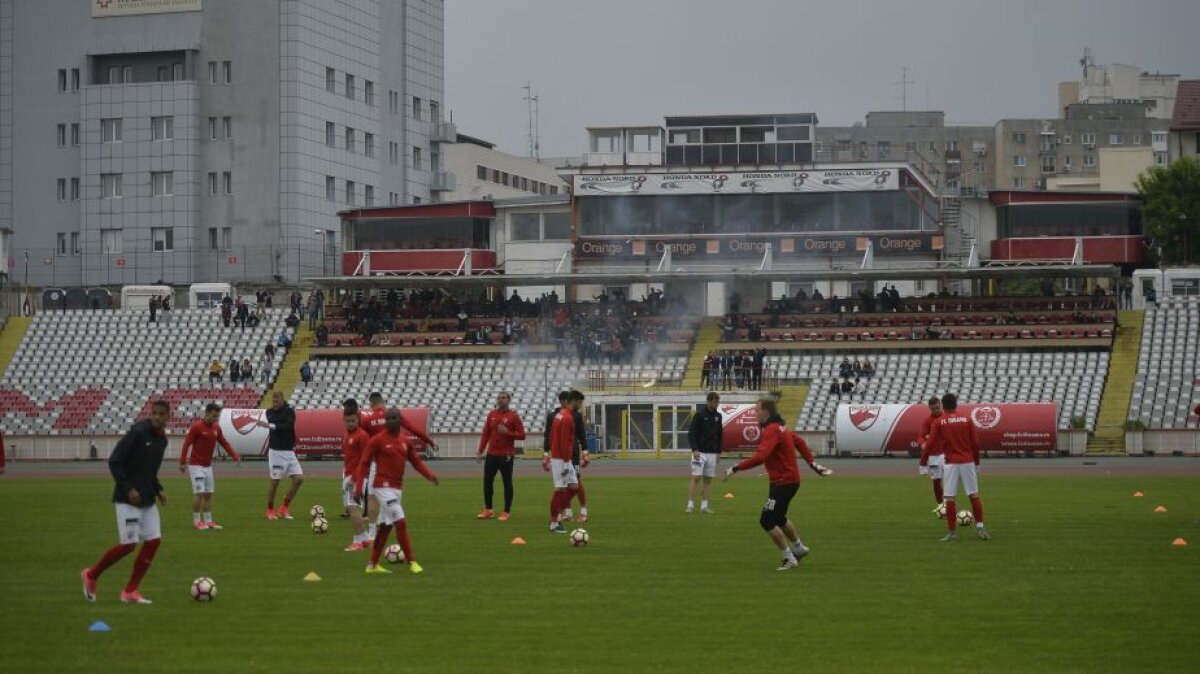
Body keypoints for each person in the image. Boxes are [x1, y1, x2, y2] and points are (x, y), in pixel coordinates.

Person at [724, 397, 830, 571]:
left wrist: (737, 467)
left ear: (766, 412)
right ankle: (798, 548)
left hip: (783, 482)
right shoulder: (781, 427)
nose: (755, 414)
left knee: (766, 520)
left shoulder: (772, 429)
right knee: (779, 518)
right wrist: (812, 464)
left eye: (757, 410)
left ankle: (789, 558)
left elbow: (761, 456)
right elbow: (800, 442)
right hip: (787, 481)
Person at [81, 400, 171, 604]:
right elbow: (115, 462)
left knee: (153, 541)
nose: (157, 417)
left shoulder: (162, 440)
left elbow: (149, 470)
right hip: (126, 500)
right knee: (129, 545)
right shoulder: (137, 433)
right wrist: (128, 488)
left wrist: (159, 489)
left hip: (147, 499)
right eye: (154, 413)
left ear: (168, 417)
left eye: (161, 414)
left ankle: (130, 591)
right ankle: (91, 575)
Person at [357, 409, 440, 575]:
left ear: (400, 420)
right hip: (382, 487)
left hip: (396, 489)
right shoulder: (377, 440)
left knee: (386, 526)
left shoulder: (405, 441)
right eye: (387, 418)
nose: (390, 421)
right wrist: (359, 487)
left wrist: (430, 475)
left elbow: (416, 462)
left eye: (393, 418)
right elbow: (364, 462)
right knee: (400, 522)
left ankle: (372, 565)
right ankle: (412, 562)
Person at [926, 393, 989, 541]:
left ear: (943, 405)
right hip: (968, 461)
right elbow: (975, 443)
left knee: (950, 498)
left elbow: (930, 443)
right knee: (974, 495)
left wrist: (923, 462)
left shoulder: (939, 422)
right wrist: (977, 462)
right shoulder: (967, 419)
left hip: (951, 463)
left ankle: (953, 534)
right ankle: (980, 528)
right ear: (956, 404)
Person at [179, 403, 241, 530]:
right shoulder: (197, 427)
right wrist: (182, 462)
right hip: (196, 466)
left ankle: (208, 521)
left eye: (217, 416)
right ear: (206, 413)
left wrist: (234, 455)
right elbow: (186, 444)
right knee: (199, 494)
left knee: (208, 495)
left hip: (208, 467)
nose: (215, 419)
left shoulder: (216, 428)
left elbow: (224, 443)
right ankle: (197, 521)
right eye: (213, 416)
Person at [476, 391, 526, 521]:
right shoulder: (491, 414)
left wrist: (507, 432)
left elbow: (522, 435)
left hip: (506, 455)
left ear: (509, 400)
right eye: (499, 398)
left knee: (507, 483)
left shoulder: (514, 416)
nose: (500, 400)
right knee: (487, 482)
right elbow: (486, 434)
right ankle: (488, 510)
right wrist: (480, 450)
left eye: (503, 398)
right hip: (491, 454)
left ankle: (506, 512)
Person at [259, 391, 303, 520]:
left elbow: (287, 426)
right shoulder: (269, 412)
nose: (274, 402)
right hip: (276, 452)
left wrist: (270, 425)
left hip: (289, 452)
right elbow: (279, 424)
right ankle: (270, 509)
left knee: (299, 479)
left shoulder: (289, 412)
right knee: (275, 482)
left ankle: (284, 508)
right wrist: (274, 425)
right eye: (273, 400)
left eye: (277, 400)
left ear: (283, 399)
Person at [546, 391, 582, 533]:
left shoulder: (560, 415)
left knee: (574, 486)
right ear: (575, 401)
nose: (581, 405)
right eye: (580, 402)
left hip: (561, 457)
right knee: (560, 489)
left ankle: (558, 512)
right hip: (562, 459)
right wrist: (566, 464)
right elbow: (564, 442)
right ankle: (554, 522)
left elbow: (553, 436)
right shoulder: (567, 418)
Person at [340, 400, 371, 551]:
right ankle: (365, 539)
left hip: (357, 478)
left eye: (353, 420)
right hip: (349, 475)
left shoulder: (362, 436)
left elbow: (365, 460)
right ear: (344, 420)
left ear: (358, 419)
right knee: (351, 508)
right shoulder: (346, 434)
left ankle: (357, 541)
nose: (351, 423)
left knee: (353, 509)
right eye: (348, 421)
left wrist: (354, 478)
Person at [686, 392, 723, 514]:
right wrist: (694, 449)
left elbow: (720, 435)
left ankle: (704, 506)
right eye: (715, 402)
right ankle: (690, 505)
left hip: (712, 453)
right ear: (709, 401)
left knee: (708, 480)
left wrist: (718, 452)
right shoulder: (699, 415)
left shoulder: (718, 416)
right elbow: (691, 433)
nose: (717, 404)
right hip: (700, 453)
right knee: (696, 477)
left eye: (718, 402)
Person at [560, 390, 590, 523]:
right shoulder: (556, 416)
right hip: (560, 454)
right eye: (580, 402)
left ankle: (583, 511)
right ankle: (568, 513)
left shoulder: (576, 416)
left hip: (573, 453)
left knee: (576, 481)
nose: (581, 405)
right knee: (564, 483)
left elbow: (581, 434)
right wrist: (547, 453)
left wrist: (585, 452)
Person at [917, 396, 946, 514]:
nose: (936, 410)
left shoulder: (946, 418)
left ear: (941, 406)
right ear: (929, 408)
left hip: (947, 454)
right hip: (933, 456)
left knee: (949, 481)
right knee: (936, 482)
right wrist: (923, 443)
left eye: (937, 408)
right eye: (933, 409)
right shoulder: (927, 421)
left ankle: (949, 506)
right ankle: (940, 506)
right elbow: (920, 436)